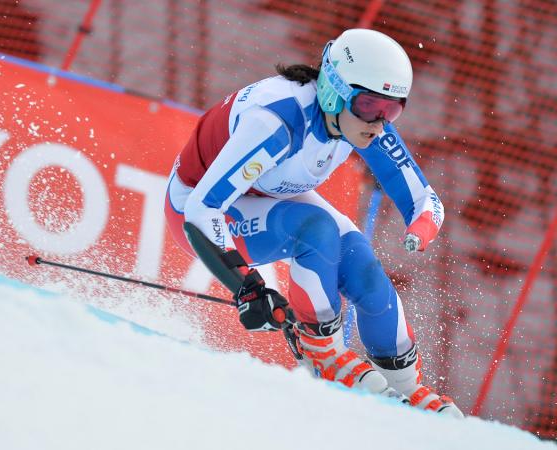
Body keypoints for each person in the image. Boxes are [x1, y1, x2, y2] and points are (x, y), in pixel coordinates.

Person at [164, 28, 462, 417]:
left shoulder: (358, 121)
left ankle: (406, 386)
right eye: (370, 106)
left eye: (392, 109)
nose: (380, 122)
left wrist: (420, 229)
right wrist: (247, 288)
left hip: (269, 193)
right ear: (333, 91)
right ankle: (321, 352)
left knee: (363, 266)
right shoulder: (277, 123)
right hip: (199, 208)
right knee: (316, 229)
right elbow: (204, 208)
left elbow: (425, 200)